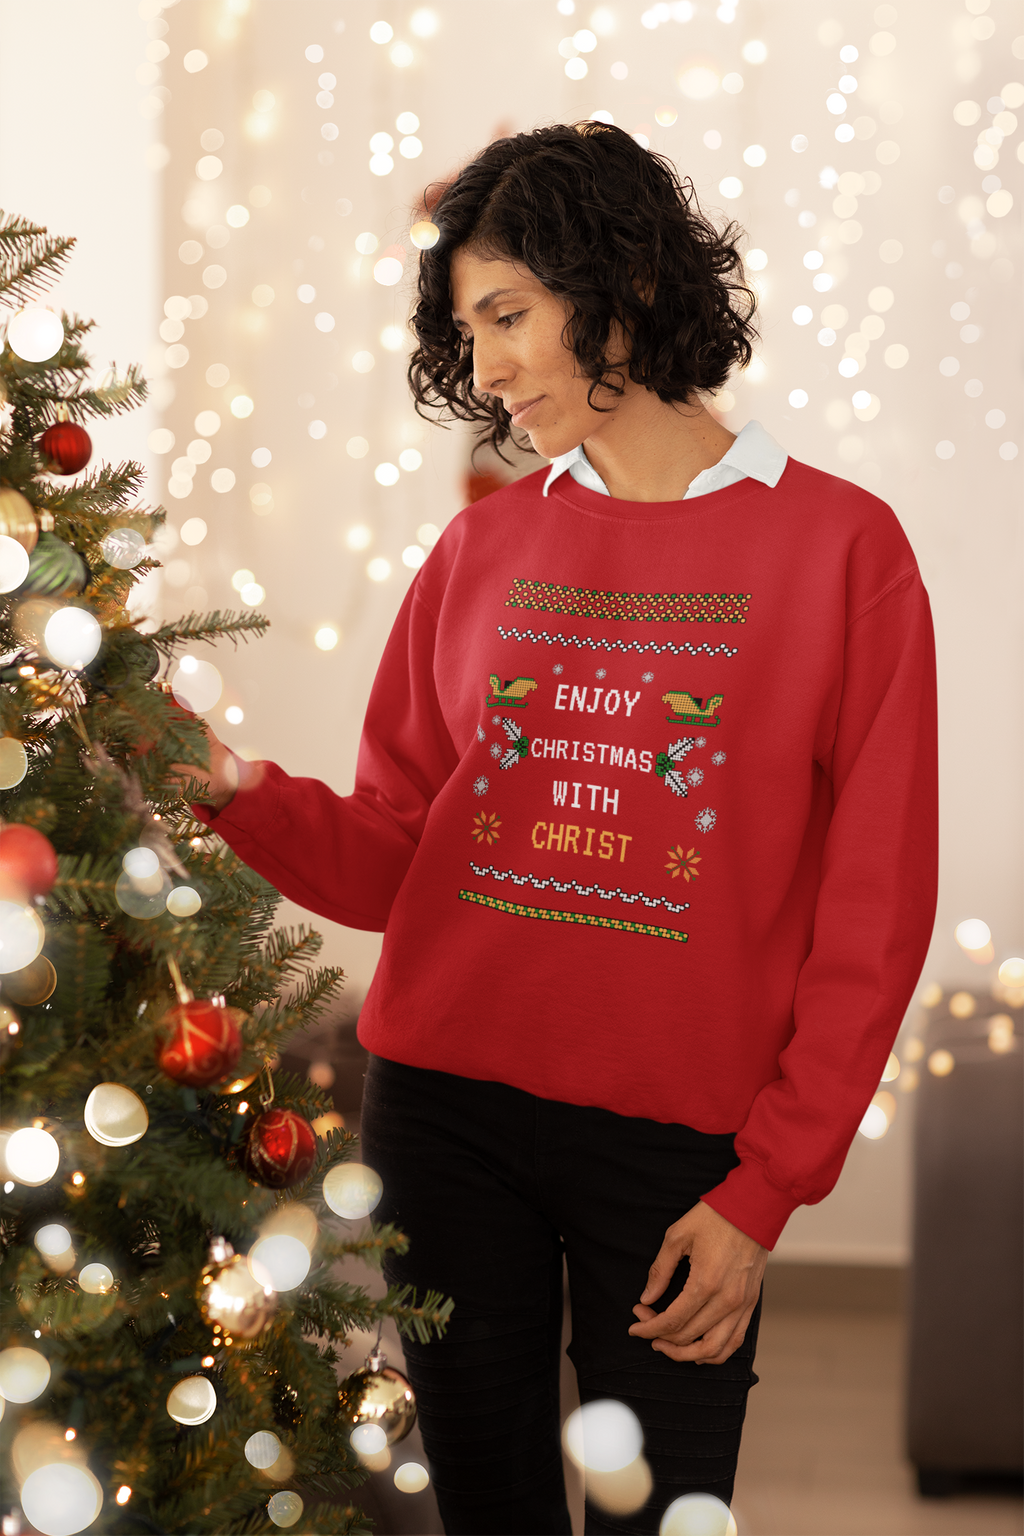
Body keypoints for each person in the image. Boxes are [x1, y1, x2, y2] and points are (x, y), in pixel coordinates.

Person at [183, 123, 938, 1535]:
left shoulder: (844, 553)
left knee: (664, 1513)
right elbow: (398, 854)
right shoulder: (481, 548)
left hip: (681, 1156)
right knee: (489, 1509)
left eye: (510, 318)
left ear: (628, 284)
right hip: (445, 1120)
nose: (487, 371)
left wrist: (767, 1190)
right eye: (467, 335)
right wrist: (237, 790)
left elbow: (876, 909)